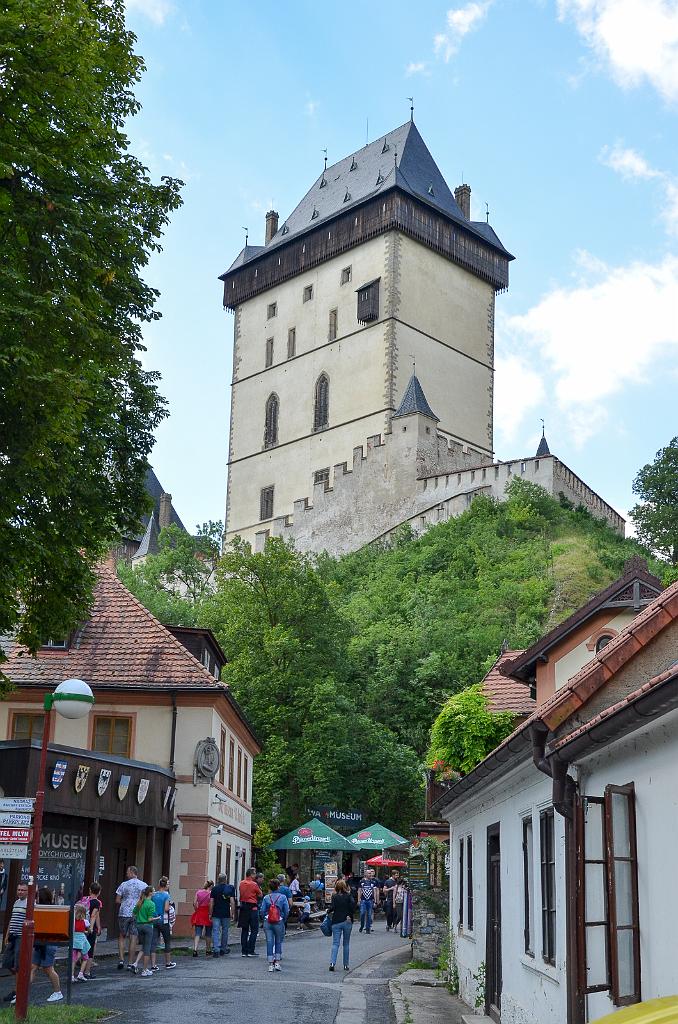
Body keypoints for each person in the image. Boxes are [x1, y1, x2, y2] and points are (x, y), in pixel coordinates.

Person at [27, 887, 63, 1003]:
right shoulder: (39, 908)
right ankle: (22, 993)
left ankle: (58, 992)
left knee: (48, 968)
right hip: (40, 942)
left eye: (37, 896)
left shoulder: (48, 910)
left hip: (48, 943)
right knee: (33, 967)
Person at [115, 865, 147, 971]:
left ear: (132, 872)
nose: (126, 874)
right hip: (136, 913)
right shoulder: (143, 885)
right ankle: (130, 962)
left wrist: (125, 902)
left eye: (128, 872)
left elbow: (117, 900)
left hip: (124, 912)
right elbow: (145, 900)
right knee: (133, 937)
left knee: (122, 936)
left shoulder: (124, 884)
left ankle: (121, 959)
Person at [2, 883, 28, 1004]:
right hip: (12, 936)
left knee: (18, 965)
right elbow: (12, 919)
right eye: (19, 890)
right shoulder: (16, 902)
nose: (20, 892)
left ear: (27, 891)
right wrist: (7, 934)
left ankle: (18, 991)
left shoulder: (29, 903)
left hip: (21, 937)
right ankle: (17, 987)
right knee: (7, 962)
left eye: (23, 890)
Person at [261, 878, 289, 972]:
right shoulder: (282, 897)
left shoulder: (266, 897)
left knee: (269, 942)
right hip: (279, 921)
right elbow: (286, 910)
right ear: (278, 887)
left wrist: (265, 916)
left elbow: (262, 910)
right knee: (278, 941)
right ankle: (277, 962)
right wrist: (283, 918)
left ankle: (270, 964)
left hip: (268, 921)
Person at [131, 886, 159, 976]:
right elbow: (150, 918)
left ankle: (135, 963)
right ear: (150, 893)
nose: (154, 892)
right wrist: (157, 918)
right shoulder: (151, 904)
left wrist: (139, 919)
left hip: (139, 926)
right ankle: (144, 970)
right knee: (147, 949)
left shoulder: (140, 902)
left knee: (144, 946)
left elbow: (134, 913)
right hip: (148, 926)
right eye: (153, 891)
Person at [328, 878, 355, 972]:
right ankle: (346, 965)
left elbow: (333, 907)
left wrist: (327, 911)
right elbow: (352, 907)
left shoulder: (334, 896)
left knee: (335, 943)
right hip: (347, 921)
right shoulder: (348, 896)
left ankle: (332, 963)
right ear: (345, 887)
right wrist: (350, 916)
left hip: (336, 921)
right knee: (346, 944)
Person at [151, 877, 176, 970]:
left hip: (154, 920)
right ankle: (168, 962)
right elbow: (166, 909)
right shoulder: (166, 895)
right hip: (164, 920)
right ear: (165, 886)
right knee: (167, 941)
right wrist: (170, 905)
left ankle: (153, 965)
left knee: (153, 942)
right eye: (168, 885)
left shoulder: (154, 895)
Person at [209, 873, 236, 957]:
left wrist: (210, 913)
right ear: (226, 879)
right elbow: (232, 902)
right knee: (225, 931)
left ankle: (216, 949)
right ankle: (223, 949)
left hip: (216, 912)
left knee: (215, 931)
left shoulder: (214, 889)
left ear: (218, 879)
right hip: (225, 912)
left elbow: (211, 902)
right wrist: (233, 912)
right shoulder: (230, 888)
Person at [238, 867, 262, 957]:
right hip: (252, 907)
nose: (255, 875)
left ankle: (244, 951)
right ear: (251, 874)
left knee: (244, 929)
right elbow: (260, 894)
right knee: (254, 929)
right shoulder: (254, 884)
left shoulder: (241, 883)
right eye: (254, 873)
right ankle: (251, 950)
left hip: (243, 906)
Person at [79, 882, 102, 970]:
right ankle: (87, 971)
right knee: (90, 949)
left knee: (81, 947)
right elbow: (94, 915)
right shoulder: (97, 903)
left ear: (90, 890)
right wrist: (94, 927)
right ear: (99, 892)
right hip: (90, 927)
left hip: (82, 925)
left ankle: (78, 966)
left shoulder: (84, 899)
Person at [191, 880, 213, 956]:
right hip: (207, 913)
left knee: (197, 933)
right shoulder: (210, 894)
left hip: (199, 912)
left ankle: (195, 949)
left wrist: (196, 910)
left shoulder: (198, 892)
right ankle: (208, 950)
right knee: (208, 933)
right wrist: (210, 914)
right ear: (210, 886)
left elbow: (194, 903)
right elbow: (211, 904)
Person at [72, 903, 91, 981]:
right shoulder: (85, 922)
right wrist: (87, 931)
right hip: (82, 941)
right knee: (85, 958)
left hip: (74, 940)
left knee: (73, 959)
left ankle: (72, 975)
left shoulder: (72, 922)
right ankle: (81, 973)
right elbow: (88, 931)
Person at [358, 868, 378, 934]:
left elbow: (374, 892)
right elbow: (359, 891)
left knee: (369, 915)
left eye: (370, 873)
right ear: (365, 874)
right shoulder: (361, 882)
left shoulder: (373, 882)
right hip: (363, 900)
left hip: (370, 900)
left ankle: (368, 928)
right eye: (369, 873)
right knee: (362, 913)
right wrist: (358, 900)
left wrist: (375, 901)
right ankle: (362, 925)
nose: (370, 874)